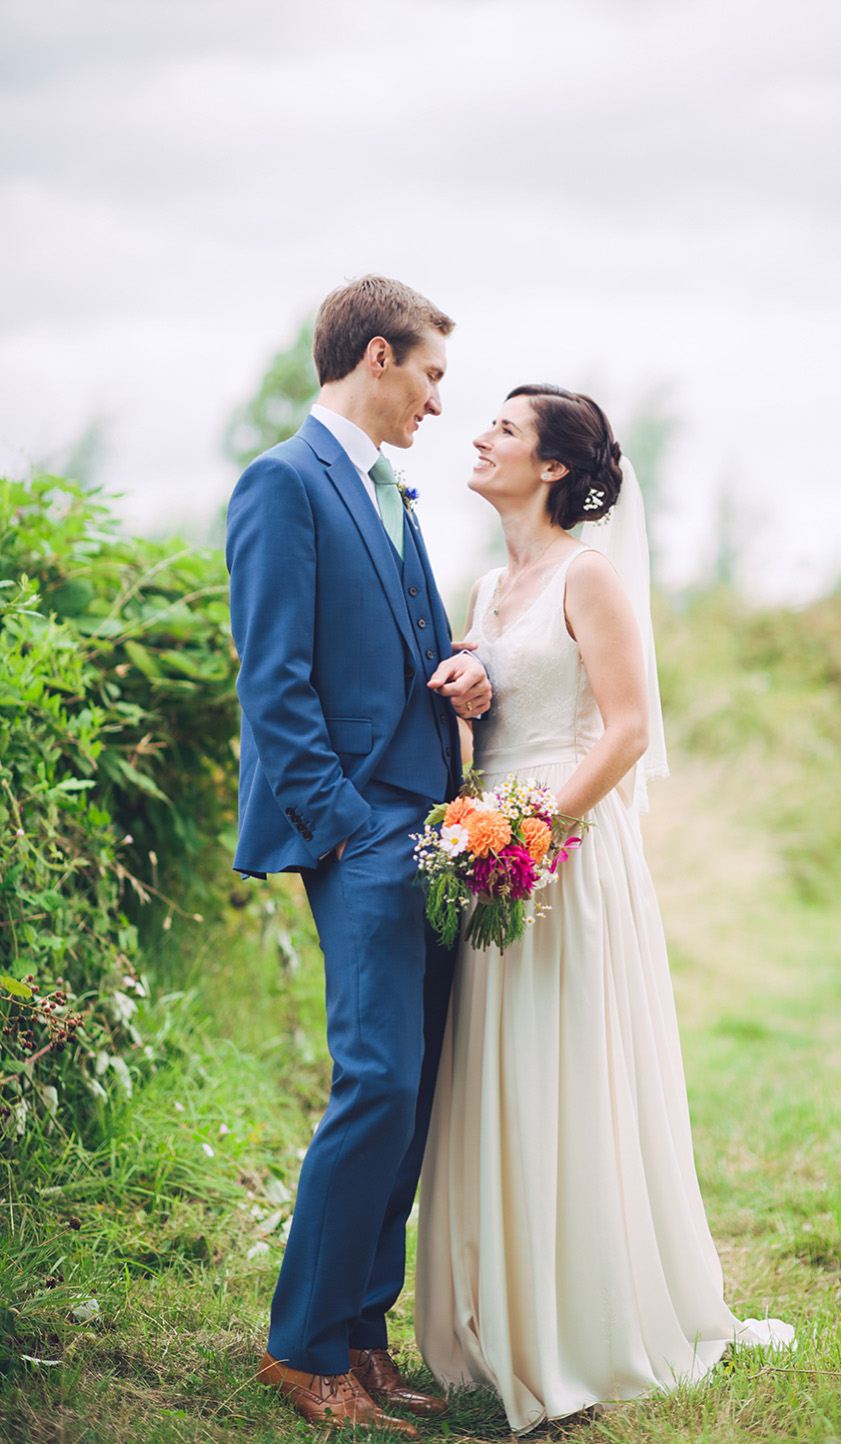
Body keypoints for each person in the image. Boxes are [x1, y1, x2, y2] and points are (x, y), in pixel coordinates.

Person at [415, 383, 792, 1432]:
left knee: (562, 1070)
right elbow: (503, 717)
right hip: (491, 852)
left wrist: (529, 835)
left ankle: (584, 1321)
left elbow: (623, 731)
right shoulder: (493, 587)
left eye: (503, 426)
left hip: (563, 855)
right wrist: (467, 698)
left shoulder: (590, 576)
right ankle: (505, 1319)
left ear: (551, 468)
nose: (480, 433)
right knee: (499, 1075)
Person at [226, 275, 491, 1436]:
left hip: (430, 828)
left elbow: (413, 647)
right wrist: (345, 826)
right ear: (378, 356)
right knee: (376, 1078)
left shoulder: (397, 492)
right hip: (362, 833)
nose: (441, 400)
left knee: (415, 1088)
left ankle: (365, 1340)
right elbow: (272, 681)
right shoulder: (282, 482)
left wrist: (468, 671)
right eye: (432, 373)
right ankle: (300, 1347)